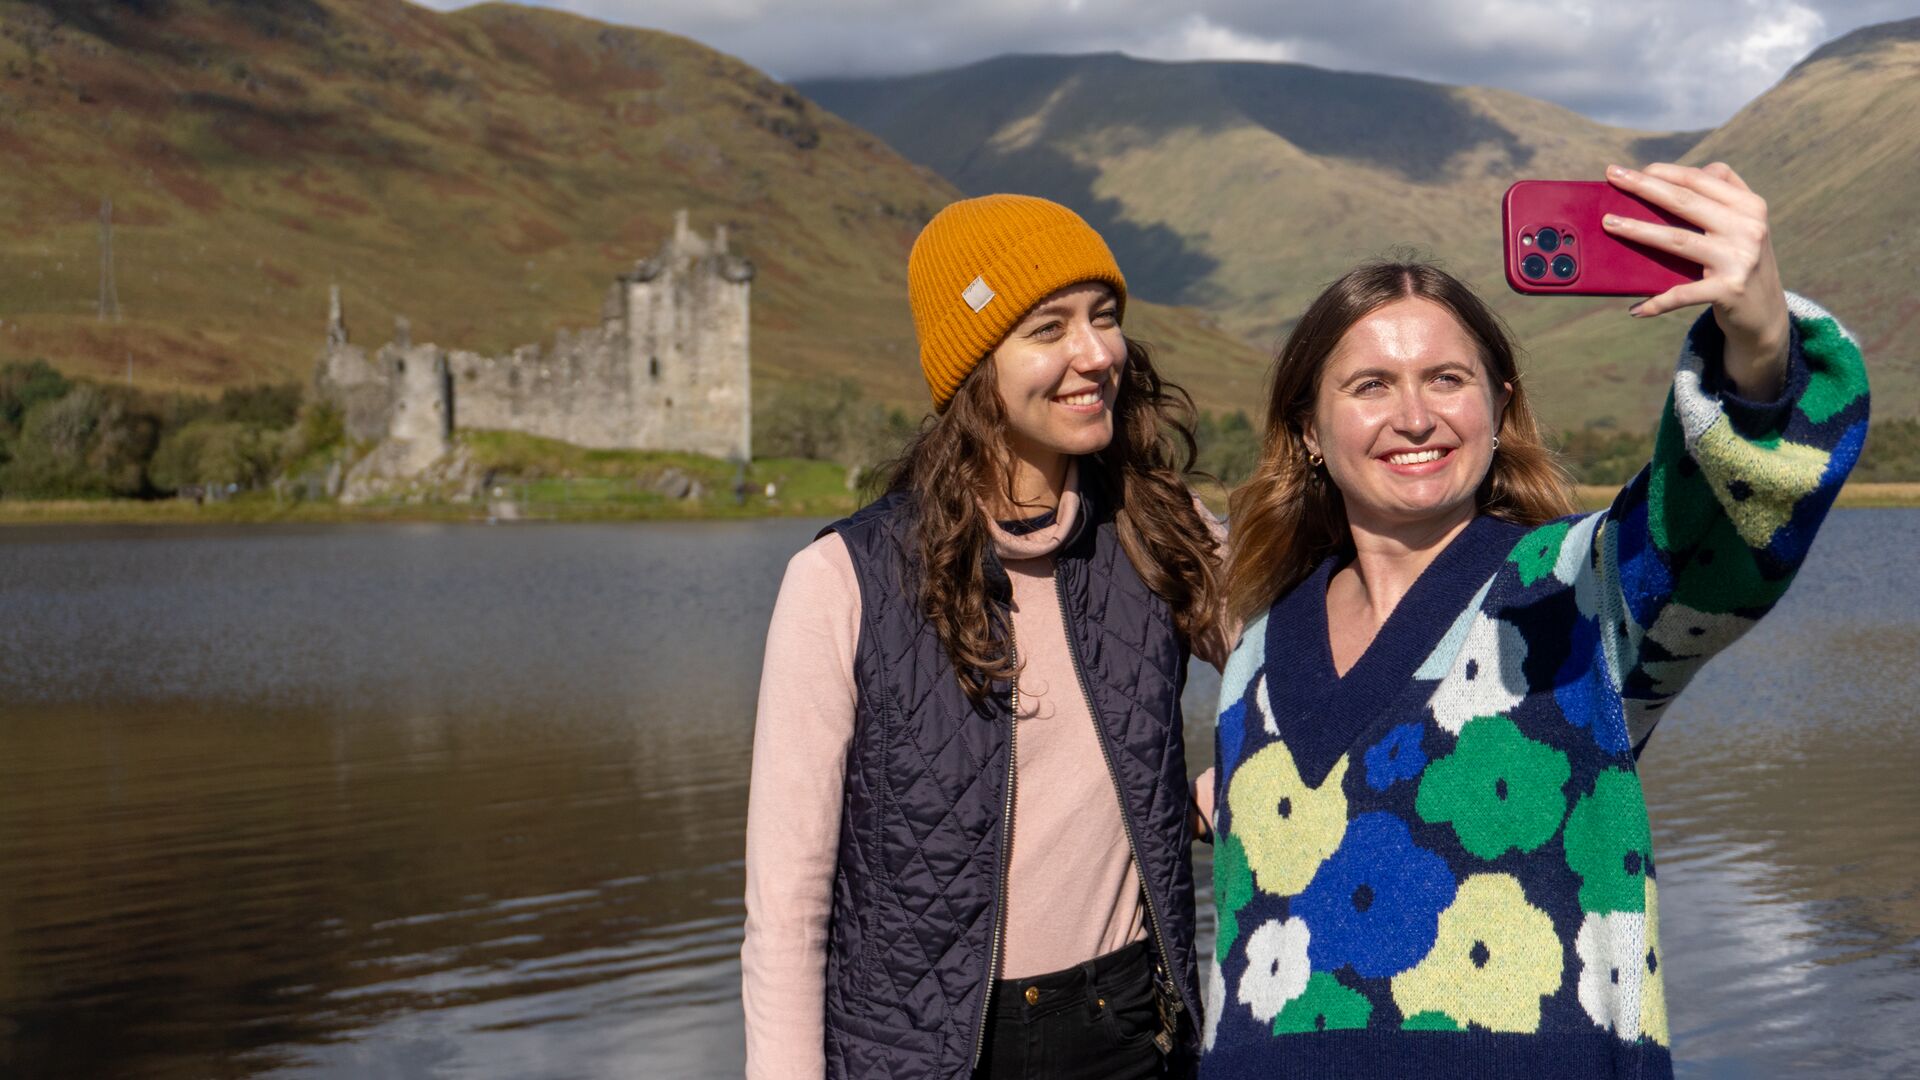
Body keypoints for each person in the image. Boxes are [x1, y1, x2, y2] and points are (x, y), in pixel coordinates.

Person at [1199, 163, 1868, 1079]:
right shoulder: (1261, 653)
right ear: (1309, 429)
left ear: (1500, 404)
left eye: (1447, 378)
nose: (1416, 416)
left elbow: (1707, 523)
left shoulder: (1576, 591)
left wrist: (1758, 345)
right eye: (1368, 386)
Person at [743, 194, 1229, 1080]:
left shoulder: (1162, 527)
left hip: (1136, 1030)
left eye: (1105, 318)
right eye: (1049, 328)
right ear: (974, 369)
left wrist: (1227, 788)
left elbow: (1320, 673)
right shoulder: (839, 582)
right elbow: (786, 904)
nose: (1096, 355)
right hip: (928, 1055)